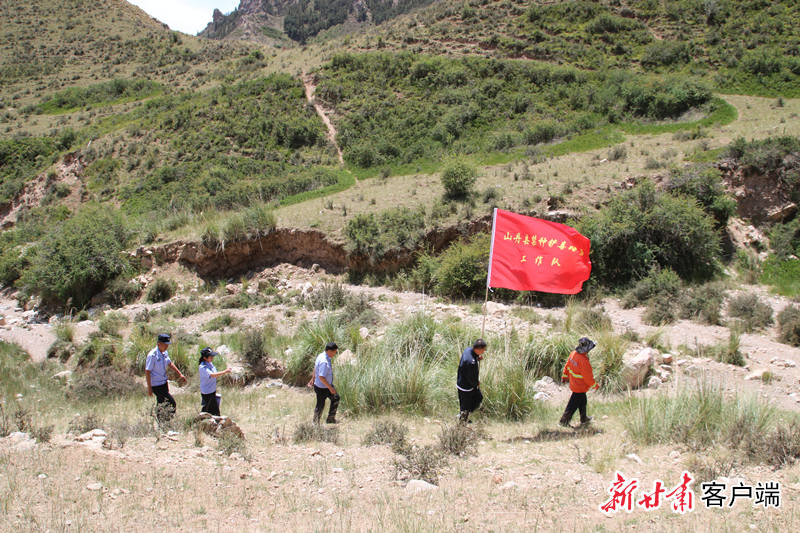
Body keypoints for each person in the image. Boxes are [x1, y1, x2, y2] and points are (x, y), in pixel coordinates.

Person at [145, 333, 186, 422]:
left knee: (162, 403)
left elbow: (170, 363)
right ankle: (164, 421)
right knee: (171, 403)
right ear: (159, 344)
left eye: (167, 344)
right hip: (156, 384)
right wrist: (149, 388)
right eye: (165, 344)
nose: (167, 346)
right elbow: (147, 371)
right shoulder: (152, 355)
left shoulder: (164, 353)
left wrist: (180, 374)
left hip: (163, 382)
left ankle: (162, 423)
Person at [560, 337, 598, 427]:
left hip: (574, 383)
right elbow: (588, 377)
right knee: (572, 405)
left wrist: (564, 376)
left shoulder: (573, 354)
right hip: (580, 386)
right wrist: (595, 385)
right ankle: (563, 421)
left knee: (583, 401)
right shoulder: (584, 361)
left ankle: (584, 418)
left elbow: (567, 365)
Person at [457, 339, 486, 423]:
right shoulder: (471, 362)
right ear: (478, 349)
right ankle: (462, 422)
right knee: (466, 405)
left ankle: (465, 416)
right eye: (483, 350)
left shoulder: (468, 350)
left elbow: (472, 357)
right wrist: (476, 383)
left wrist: (477, 357)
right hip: (466, 387)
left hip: (463, 383)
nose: (484, 351)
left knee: (478, 398)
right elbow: (470, 377)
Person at [310, 342, 340, 424]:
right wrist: (330, 388)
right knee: (320, 405)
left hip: (324, 385)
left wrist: (313, 378)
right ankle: (315, 423)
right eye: (335, 352)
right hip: (322, 387)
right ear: (330, 351)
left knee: (336, 398)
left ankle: (330, 419)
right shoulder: (324, 361)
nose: (335, 354)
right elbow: (321, 377)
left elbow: (315, 367)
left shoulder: (321, 355)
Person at [198, 347, 231, 416]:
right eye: (210, 356)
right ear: (205, 357)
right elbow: (212, 375)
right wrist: (225, 371)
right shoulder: (202, 367)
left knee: (211, 412)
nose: (212, 357)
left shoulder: (210, 363)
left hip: (212, 391)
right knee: (209, 413)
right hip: (207, 393)